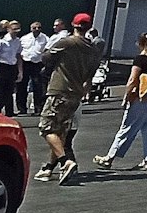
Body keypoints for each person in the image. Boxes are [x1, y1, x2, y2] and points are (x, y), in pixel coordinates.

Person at [34, 14, 100, 184]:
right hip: (76, 94)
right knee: (61, 133)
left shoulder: (67, 43)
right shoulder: (92, 49)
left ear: (73, 25)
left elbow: (46, 58)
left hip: (59, 90)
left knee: (47, 129)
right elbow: (90, 75)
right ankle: (49, 167)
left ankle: (65, 162)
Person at [98, 32, 147, 171]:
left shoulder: (140, 59)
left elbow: (133, 80)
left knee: (127, 127)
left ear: (139, 44)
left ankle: (109, 157)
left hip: (142, 97)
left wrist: (126, 97)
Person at [0, 19, 24, 114]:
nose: (16, 31)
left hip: (12, 68)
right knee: (1, 93)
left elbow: (18, 56)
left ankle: (9, 112)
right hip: (1, 68)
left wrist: (20, 72)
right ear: (8, 29)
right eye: (14, 29)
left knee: (9, 92)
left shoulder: (18, 41)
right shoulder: (1, 42)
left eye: (18, 29)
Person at [20, 20, 50, 113]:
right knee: (22, 86)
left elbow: (48, 51)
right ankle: (22, 108)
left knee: (38, 86)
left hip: (37, 64)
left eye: (39, 28)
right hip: (25, 63)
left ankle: (38, 107)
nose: (37, 29)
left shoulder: (45, 38)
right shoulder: (24, 38)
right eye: (34, 28)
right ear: (30, 28)